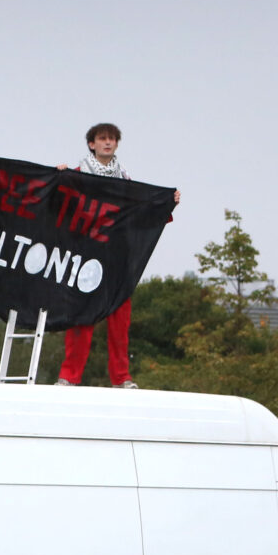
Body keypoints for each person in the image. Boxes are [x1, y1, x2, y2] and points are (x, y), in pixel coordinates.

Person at [54, 123, 177, 389]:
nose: (108, 143)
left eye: (112, 139)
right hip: (86, 255)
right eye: (102, 138)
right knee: (80, 316)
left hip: (118, 257)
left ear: (117, 144)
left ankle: (121, 377)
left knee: (120, 321)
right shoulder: (77, 174)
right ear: (92, 144)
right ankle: (69, 376)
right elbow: (57, 203)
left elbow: (141, 211)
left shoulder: (125, 180)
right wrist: (58, 178)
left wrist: (167, 204)